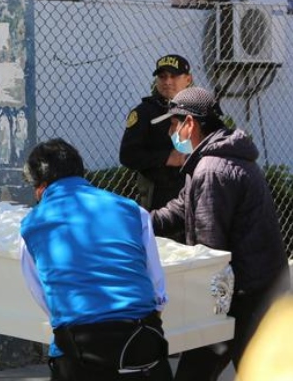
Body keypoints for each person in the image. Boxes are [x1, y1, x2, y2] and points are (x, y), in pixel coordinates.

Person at [150, 86, 291, 381]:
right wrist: (138, 222)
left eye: (174, 124)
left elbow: (209, 248)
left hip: (245, 294)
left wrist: (204, 303)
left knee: (203, 369)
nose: (171, 133)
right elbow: (180, 208)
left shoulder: (211, 169)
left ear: (190, 123)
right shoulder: (216, 158)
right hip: (255, 286)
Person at [19, 138, 172, 381]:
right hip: (142, 343)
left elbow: (44, 295)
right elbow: (156, 284)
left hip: (79, 349)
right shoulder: (132, 210)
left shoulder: (31, 226)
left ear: (41, 187)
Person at [119, 54, 193, 212]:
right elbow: (127, 155)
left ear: (188, 79)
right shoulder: (145, 112)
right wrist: (167, 158)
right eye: (163, 77)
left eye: (174, 76)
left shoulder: (200, 111)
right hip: (159, 197)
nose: (167, 82)